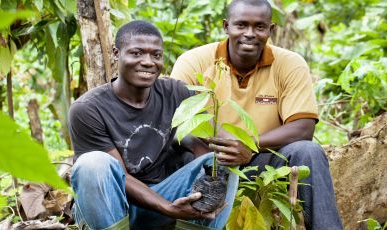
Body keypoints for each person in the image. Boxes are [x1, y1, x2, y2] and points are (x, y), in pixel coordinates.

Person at [170, 0, 343, 229]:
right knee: (182, 154)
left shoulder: (290, 64)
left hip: (262, 161)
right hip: (208, 161)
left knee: (308, 152)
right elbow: (174, 123)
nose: (249, 34)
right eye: (241, 25)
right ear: (226, 26)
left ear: (270, 30)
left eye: (259, 27)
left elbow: (303, 127)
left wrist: (249, 144)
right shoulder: (194, 61)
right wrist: (216, 152)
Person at [67, 20, 238, 230]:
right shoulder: (88, 109)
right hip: (110, 206)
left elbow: (208, 143)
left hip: (161, 199)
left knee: (222, 160)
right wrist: (168, 208)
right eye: (137, 53)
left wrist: (230, 153)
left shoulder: (176, 92)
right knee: (92, 163)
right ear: (116, 53)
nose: (148, 62)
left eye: (156, 55)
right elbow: (122, 178)